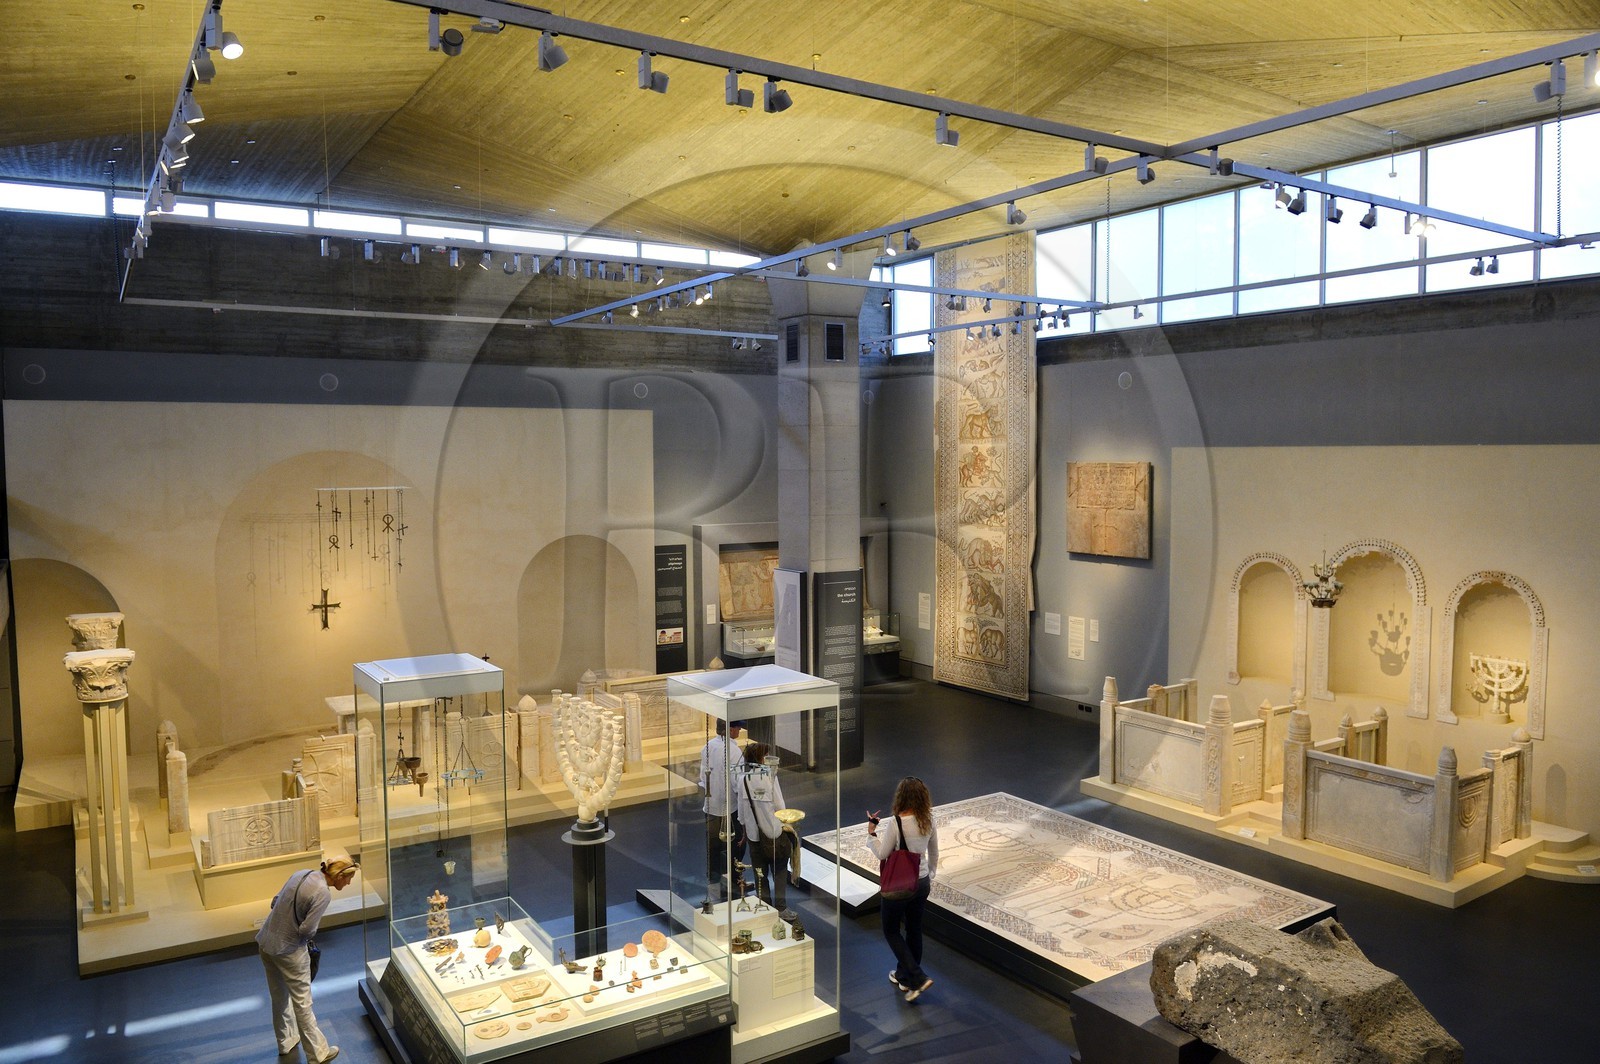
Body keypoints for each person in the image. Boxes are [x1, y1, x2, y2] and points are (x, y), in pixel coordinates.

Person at [257, 857, 358, 1062]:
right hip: (290, 951)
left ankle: (285, 1041)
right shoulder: (323, 892)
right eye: (348, 879)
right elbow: (307, 929)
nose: (348, 883)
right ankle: (317, 1054)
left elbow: (275, 902)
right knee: (303, 1003)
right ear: (338, 876)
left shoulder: (300, 874)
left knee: (279, 998)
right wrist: (300, 940)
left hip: (266, 942)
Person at [867, 776, 938, 1002]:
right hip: (922, 882)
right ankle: (904, 977)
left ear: (901, 797)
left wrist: (871, 834)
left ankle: (917, 977)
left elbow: (882, 853)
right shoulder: (929, 820)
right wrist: (930, 875)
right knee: (914, 930)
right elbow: (934, 852)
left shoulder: (896, 822)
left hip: (900, 886)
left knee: (891, 930)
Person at [734, 742, 791, 913]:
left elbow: (742, 813)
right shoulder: (770, 778)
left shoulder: (743, 780)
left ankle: (765, 908)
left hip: (754, 836)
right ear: (760, 758)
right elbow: (781, 807)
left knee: (760, 874)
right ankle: (781, 909)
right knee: (780, 871)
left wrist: (744, 833)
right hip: (773, 833)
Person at [698, 718, 745, 902]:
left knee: (713, 847)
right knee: (735, 845)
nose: (740, 730)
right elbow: (737, 783)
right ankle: (735, 880)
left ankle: (714, 883)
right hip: (729, 807)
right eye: (738, 727)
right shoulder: (734, 751)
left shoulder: (708, 746)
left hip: (711, 805)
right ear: (731, 729)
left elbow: (703, 775)